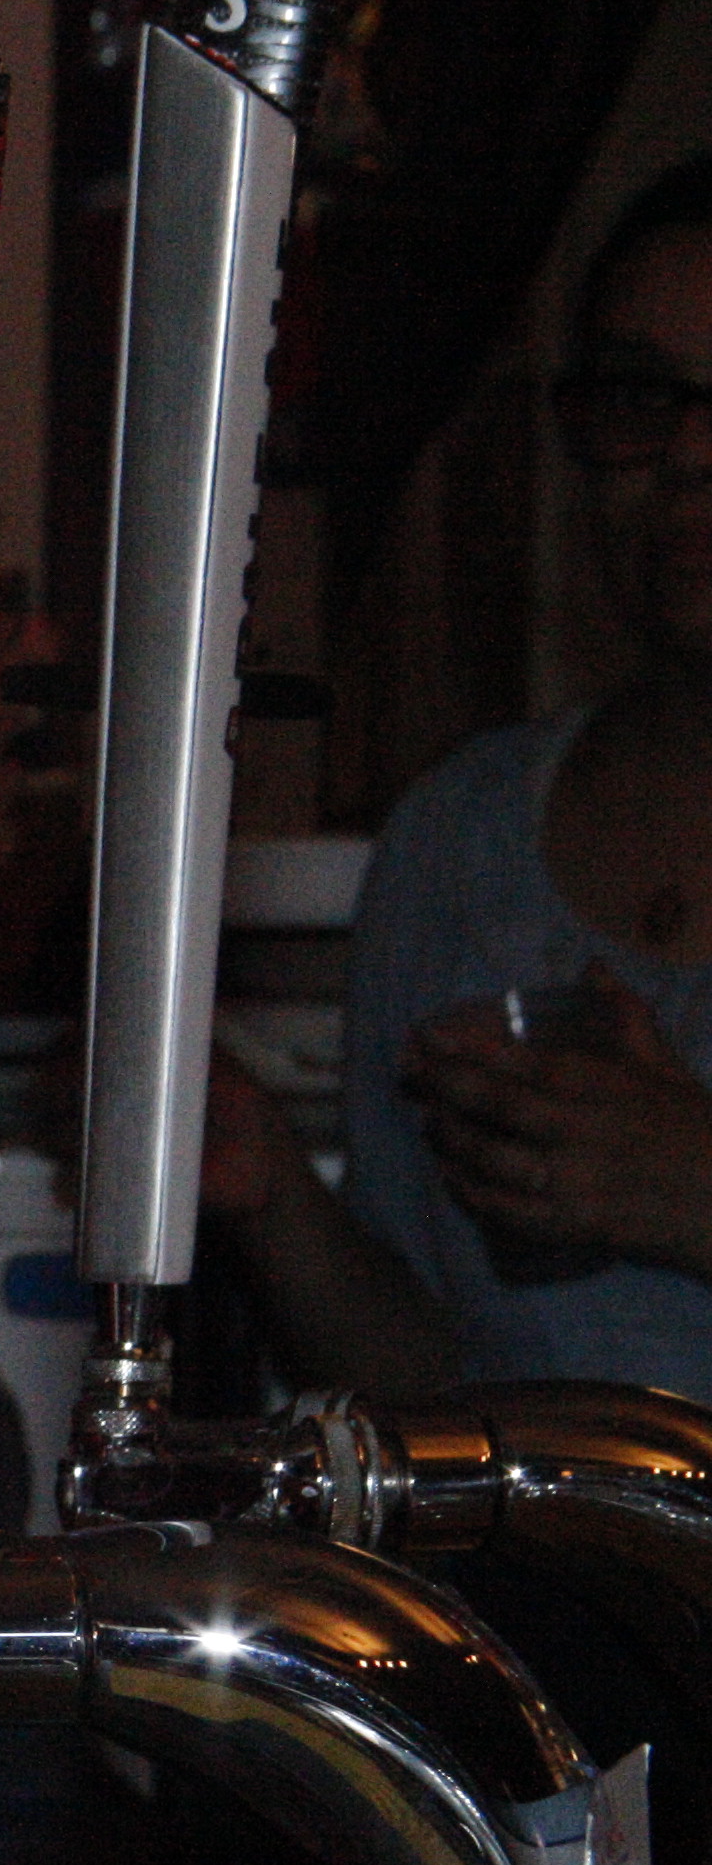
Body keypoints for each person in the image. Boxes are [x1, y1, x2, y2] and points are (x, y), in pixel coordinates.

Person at [216, 151, 712, 1398]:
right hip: (529, 1536)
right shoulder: (462, 841)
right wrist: (267, 1189)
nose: (692, 455)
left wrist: (692, 1188)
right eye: (640, 398)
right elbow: (439, 1392)